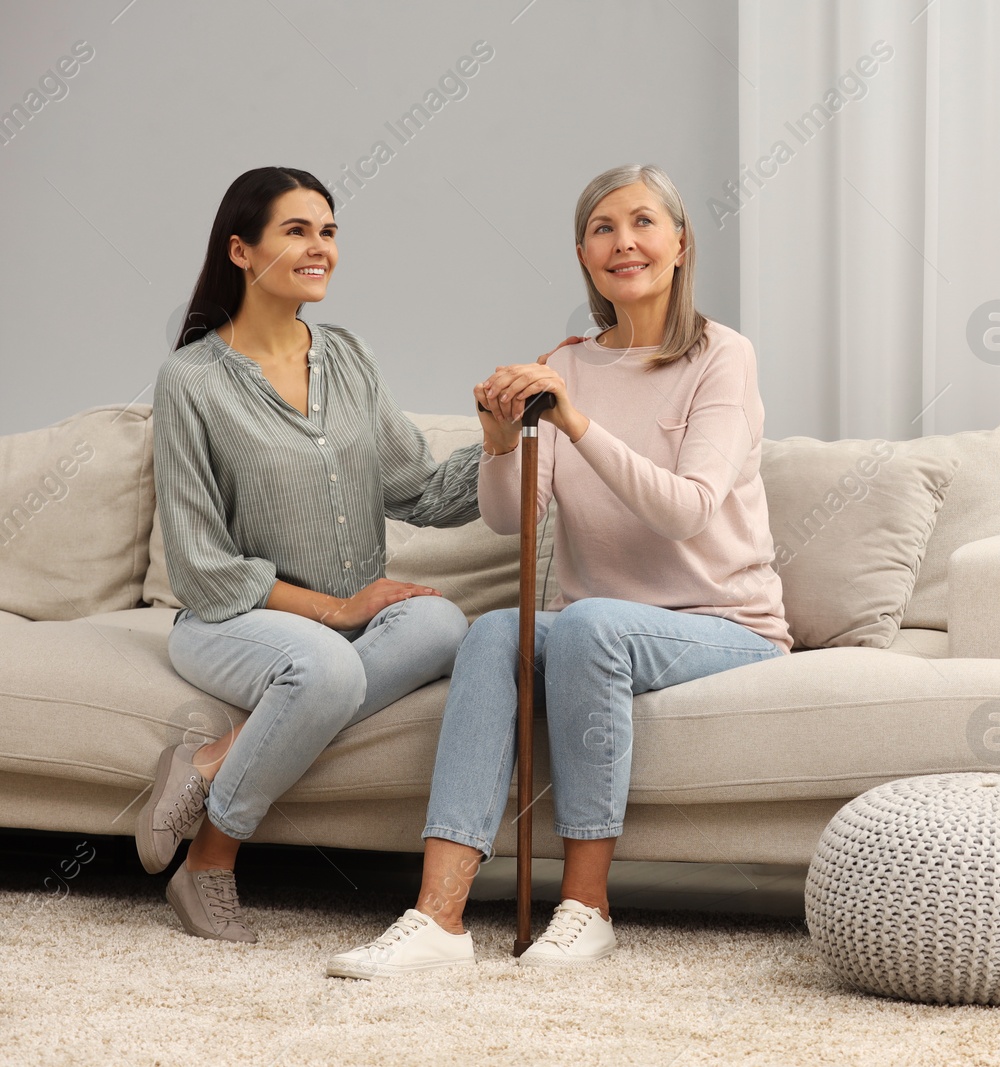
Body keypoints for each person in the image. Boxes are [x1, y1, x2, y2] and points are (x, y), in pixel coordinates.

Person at [328, 163, 793, 978]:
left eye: (644, 223)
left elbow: (686, 508)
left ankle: (586, 909)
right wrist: (502, 438)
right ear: (583, 253)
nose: (625, 243)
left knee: (587, 622)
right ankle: (438, 918)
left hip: (725, 625)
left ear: (681, 243)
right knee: (495, 631)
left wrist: (573, 422)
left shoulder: (722, 356)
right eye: (603, 228)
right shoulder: (568, 362)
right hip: (600, 628)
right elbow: (512, 518)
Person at [144, 167, 487, 943]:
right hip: (234, 618)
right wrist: (336, 608)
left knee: (441, 623)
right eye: (297, 231)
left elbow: (422, 491)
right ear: (240, 249)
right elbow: (201, 565)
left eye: (328, 232)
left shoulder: (349, 356)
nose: (319, 248)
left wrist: (498, 444)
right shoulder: (190, 381)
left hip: (344, 623)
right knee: (325, 667)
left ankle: (208, 763)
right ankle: (208, 864)